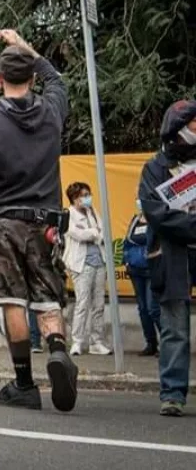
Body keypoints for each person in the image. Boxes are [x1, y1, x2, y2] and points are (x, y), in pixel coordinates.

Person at [0, 29, 78, 413]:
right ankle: (58, 349)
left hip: (5, 222)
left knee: (12, 299)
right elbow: (57, 79)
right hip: (46, 224)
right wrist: (24, 44)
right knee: (46, 295)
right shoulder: (52, 110)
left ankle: (24, 382)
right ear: (31, 78)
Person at [137, 99, 196, 417]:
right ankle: (172, 393)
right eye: (195, 125)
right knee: (175, 327)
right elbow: (156, 214)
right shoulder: (155, 168)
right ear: (178, 128)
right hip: (171, 255)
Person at [62, 182, 112, 357]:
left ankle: (97, 342)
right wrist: (94, 232)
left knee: (98, 304)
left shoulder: (92, 212)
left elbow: (104, 231)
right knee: (83, 303)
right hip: (81, 264)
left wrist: (94, 232)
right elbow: (78, 234)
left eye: (88, 194)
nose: (88, 197)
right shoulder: (68, 215)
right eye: (84, 195)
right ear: (75, 198)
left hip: (99, 261)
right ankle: (77, 341)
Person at [122, 200, 159, 356]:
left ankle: (170, 342)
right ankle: (150, 343)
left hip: (151, 268)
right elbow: (127, 241)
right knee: (143, 308)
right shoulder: (135, 220)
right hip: (135, 268)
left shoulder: (157, 219)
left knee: (153, 308)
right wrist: (127, 259)